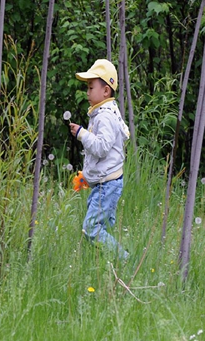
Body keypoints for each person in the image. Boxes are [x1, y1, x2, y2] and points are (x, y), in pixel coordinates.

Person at [70, 59, 130, 261]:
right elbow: (102, 156)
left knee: (91, 229)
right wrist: (87, 176)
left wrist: (81, 134)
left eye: (90, 87)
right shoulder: (103, 113)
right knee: (101, 226)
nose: (87, 92)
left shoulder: (104, 116)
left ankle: (123, 259)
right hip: (105, 182)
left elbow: (102, 148)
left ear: (106, 91)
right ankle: (108, 263)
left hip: (108, 184)